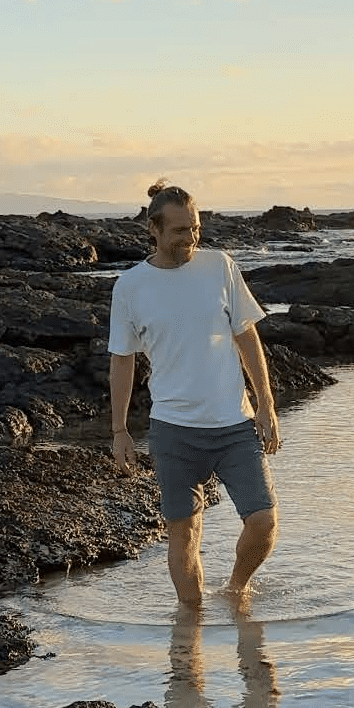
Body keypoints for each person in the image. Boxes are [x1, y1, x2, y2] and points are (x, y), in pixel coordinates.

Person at [108, 181, 281, 607]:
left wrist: (265, 404)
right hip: (173, 429)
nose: (191, 239)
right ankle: (191, 631)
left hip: (234, 424)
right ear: (154, 229)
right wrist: (119, 430)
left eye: (196, 228)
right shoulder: (130, 287)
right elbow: (122, 361)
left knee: (263, 521)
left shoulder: (219, 266)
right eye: (180, 231)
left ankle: (236, 590)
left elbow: (246, 335)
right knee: (183, 532)